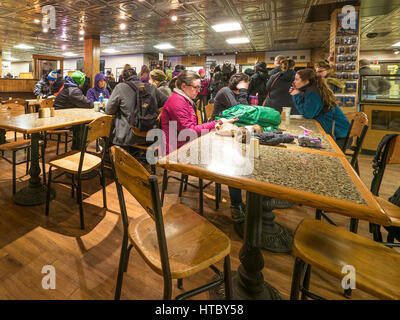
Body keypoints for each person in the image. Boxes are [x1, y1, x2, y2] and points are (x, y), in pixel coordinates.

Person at [161, 70, 236, 155]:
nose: (198, 91)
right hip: (175, 151)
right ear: (183, 86)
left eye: (199, 87)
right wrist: (218, 122)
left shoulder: (183, 99)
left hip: (182, 145)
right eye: (195, 87)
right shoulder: (177, 101)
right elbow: (189, 131)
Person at [209, 72, 250, 221]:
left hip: (229, 132)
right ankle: (236, 204)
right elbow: (242, 111)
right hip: (215, 133)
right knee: (235, 162)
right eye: (246, 84)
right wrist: (244, 92)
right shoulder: (226, 91)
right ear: (239, 84)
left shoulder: (235, 93)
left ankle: (249, 197)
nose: (247, 87)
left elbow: (246, 112)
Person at [106, 68, 167, 148]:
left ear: (123, 79)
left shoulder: (120, 87)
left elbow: (109, 110)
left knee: (108, 134)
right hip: (152, 135)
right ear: (137, 76)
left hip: (129, 137)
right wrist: (159, 113)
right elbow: (169, 102)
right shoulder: (151, 88)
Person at [290, 69, 350, 150]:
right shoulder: (311, 89)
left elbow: (308, 114)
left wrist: (296, 96)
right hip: (337, 131)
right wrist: (298, 94)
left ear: (306, 81)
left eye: (297, 79)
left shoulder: (313, 92)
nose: (294, 82)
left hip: (339, 135)